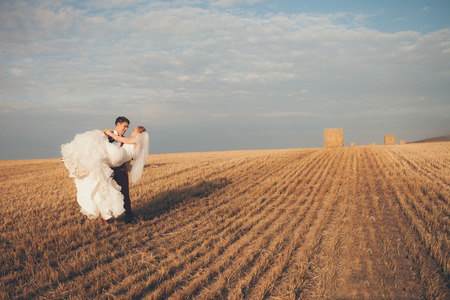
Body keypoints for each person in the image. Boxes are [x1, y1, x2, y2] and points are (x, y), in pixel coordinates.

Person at [60, 119, 150, 224]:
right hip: (107, 167)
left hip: (120, 168)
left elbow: (129, 150)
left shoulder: (128, 139)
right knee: (104, 190)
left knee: (125, 192)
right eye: (124, 126)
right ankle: (105, 218)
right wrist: (104, 134)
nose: (126, 129)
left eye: (128, 128)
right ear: (118, 124)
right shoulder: (105, 135)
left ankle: (129, 217)